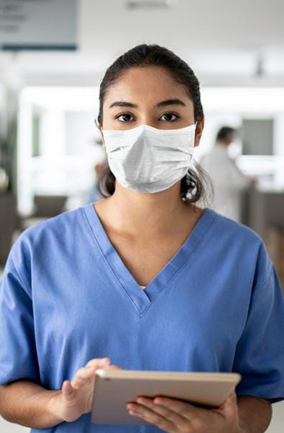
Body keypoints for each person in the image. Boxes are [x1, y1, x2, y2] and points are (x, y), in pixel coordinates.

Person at [0, 44, 284, 433]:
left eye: (168, 116)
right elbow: (8, 391)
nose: (145, 133)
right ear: (102, 129)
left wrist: (231, 428)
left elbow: (259, 395)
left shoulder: (241, 254)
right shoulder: (39, 251)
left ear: (197, 128)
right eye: (125, 116)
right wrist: (59, 404)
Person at [200, 126, 255, 223]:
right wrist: (250, 180)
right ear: (228, 137)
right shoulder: (225, 158)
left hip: (207, 211)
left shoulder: (206, 157)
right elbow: (239, 183)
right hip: (225, 211)